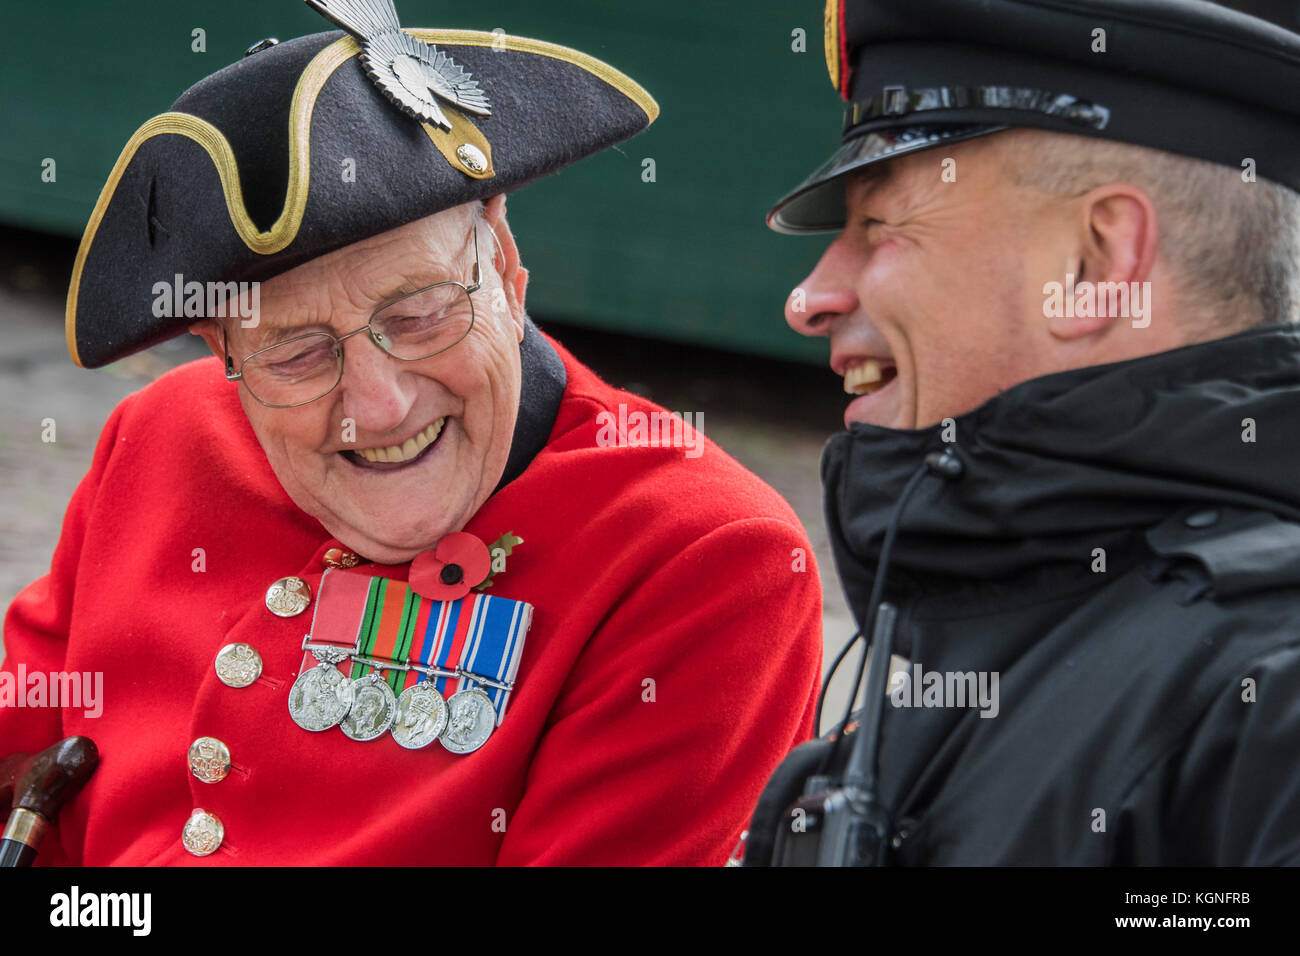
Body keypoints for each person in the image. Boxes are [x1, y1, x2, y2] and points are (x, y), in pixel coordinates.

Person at [0, 1, 823, 865]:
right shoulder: (162, 434)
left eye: (421, 314)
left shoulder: (707, 560)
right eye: (297, 355)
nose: (380, 405)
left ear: (503, 265)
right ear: (222, 350)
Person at [747, 0, 1300, 865]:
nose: (810, 297)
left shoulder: (1269, 705)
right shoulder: (1010, 617)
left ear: (1095, 268)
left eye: (879, 228)